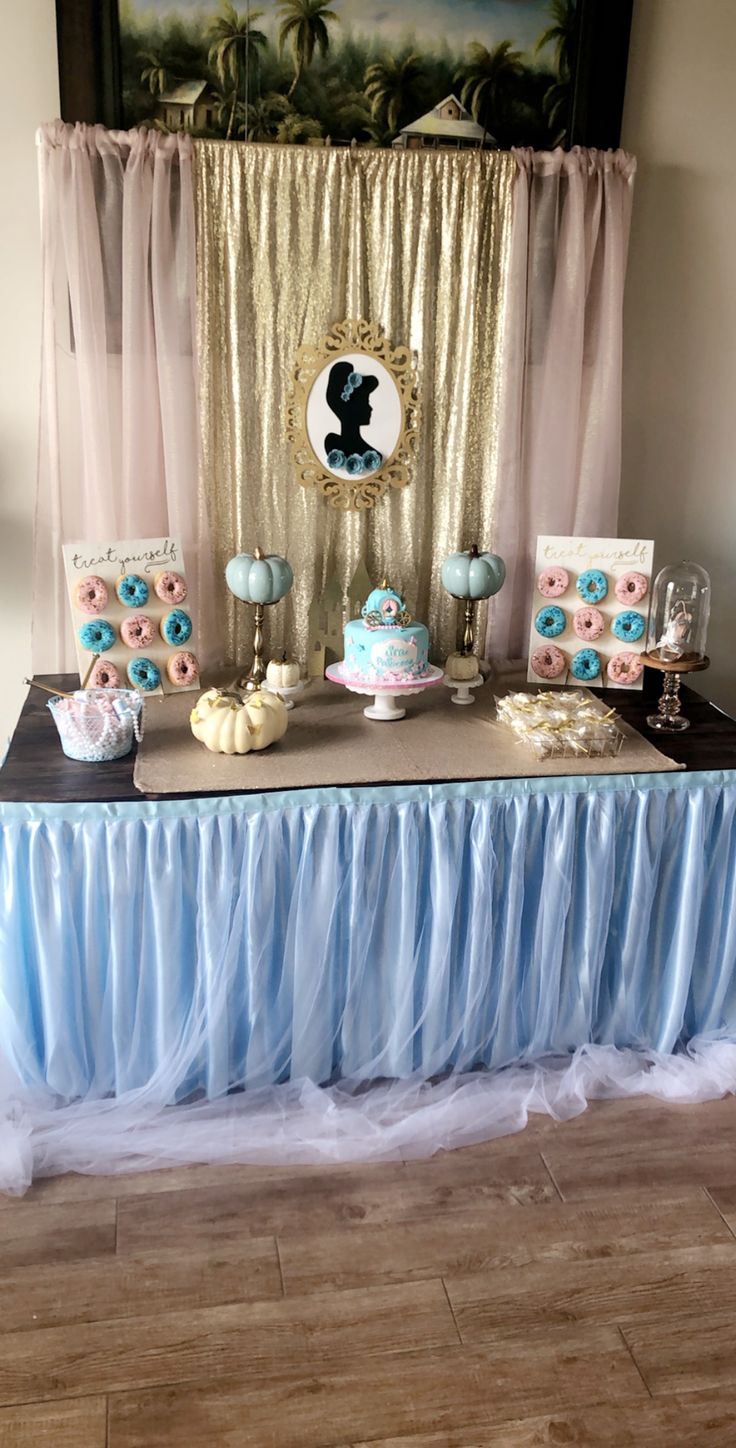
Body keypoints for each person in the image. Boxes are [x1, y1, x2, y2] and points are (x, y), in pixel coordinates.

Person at [324, 361, 382, 472]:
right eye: (366, 401)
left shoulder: (371, 456)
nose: (370, 408)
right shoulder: (332, 443)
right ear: (349, 407)